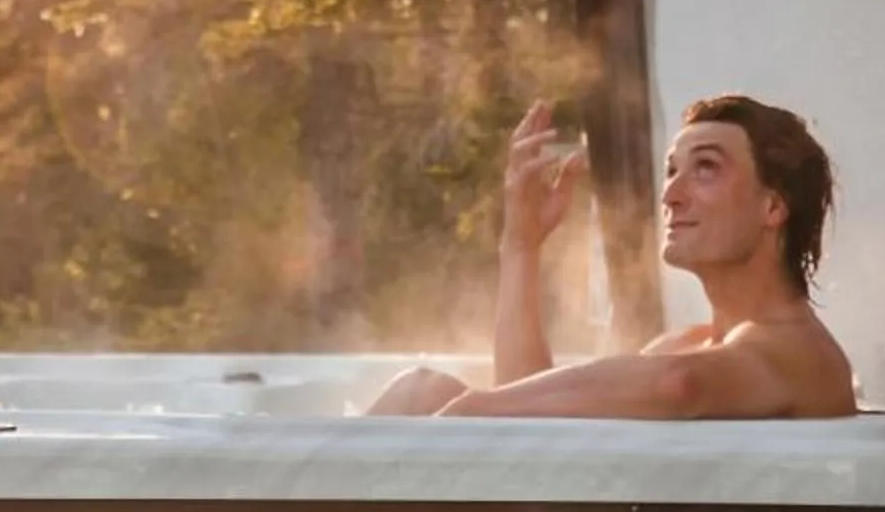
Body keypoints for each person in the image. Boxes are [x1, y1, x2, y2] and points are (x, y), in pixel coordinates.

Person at [367, 95, 858, 419]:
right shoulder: (686, 343)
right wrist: (521, 246)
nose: (670, 195)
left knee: (424, 394)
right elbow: (542, 430)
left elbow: (677, 386)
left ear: (772, 206)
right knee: (422, 391)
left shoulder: (796, 349)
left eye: (705, 168)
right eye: (671, 170)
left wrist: (472, 408)